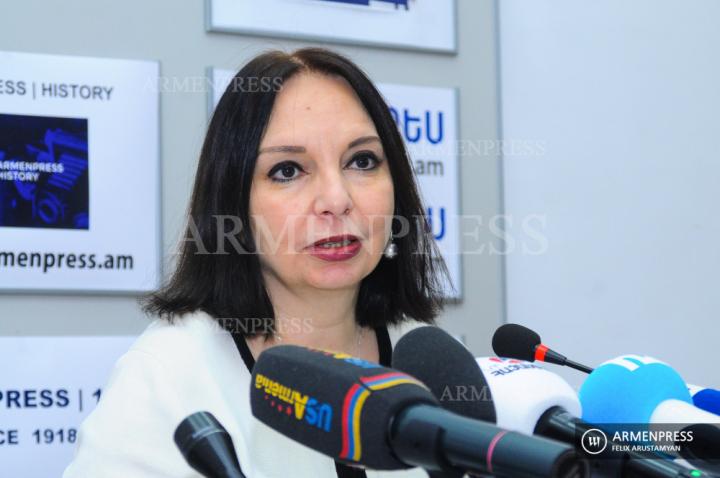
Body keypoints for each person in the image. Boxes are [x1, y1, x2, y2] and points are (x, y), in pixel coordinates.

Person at [63, 47, 452, 478]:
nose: (337, 200)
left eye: (361, 161)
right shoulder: (167, 379)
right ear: (233, 202)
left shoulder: (427, 360)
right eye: (288, 170)